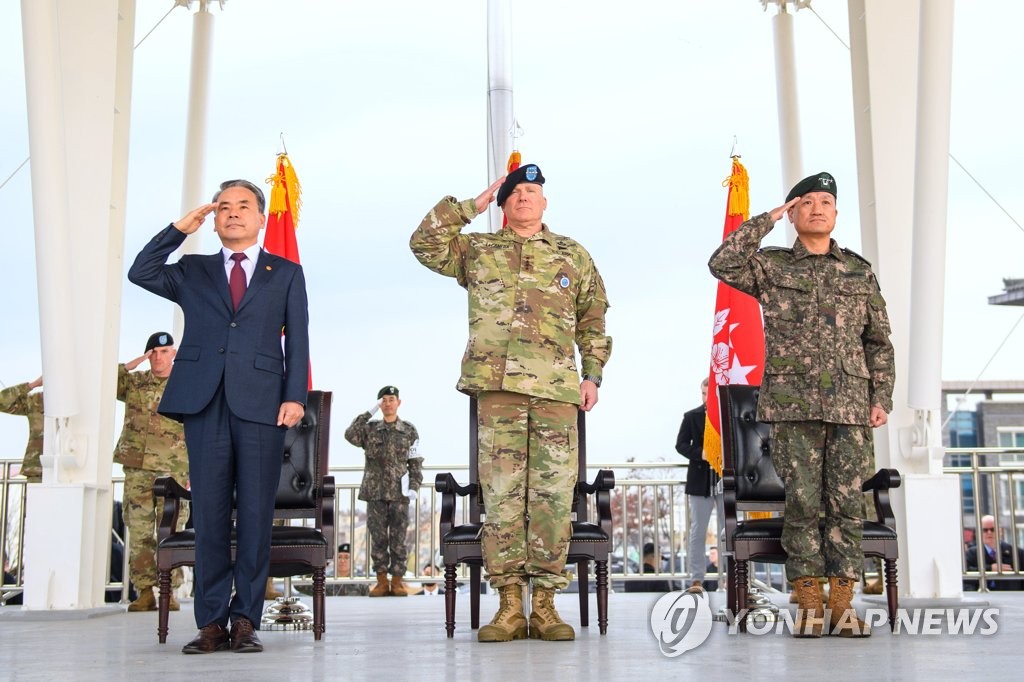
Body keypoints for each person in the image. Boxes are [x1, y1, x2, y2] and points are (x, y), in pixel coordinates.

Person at [410, 164, 612, 643]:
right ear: (503, 205)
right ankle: (507, 605)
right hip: (497, 390)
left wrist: (593, 375)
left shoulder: (572, 255)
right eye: (515, 192)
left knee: (551, 498)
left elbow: (594, 317)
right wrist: (470, 206)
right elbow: (424, 244)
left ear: (546, 202)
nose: (524, 197)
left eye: (533, 191)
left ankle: (543, 604)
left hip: (556, 392)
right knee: (500, 497)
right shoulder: (479, 250)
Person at [708, 171, 895, 638]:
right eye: (806, 202)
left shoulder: (858, 269)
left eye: (826, 202)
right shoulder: (772, 266)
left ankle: (842, 603)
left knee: (847, 504)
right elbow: (722, 262)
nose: (817, 209)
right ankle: (809, 600)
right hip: (793, 405)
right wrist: (767, 219)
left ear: (836, 213)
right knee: (804, 506)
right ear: (794, 212)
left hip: (851, 407)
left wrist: (881, 396)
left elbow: (879, 341)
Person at [128, 178, 310, 654]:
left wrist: (296, 396)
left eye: (243, 206)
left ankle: (246, 618)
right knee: (207, 515)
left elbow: (300, 339)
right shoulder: (192, 268)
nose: (232, 213)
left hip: (263, 405)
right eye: (223, 207)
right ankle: (210, 622)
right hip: (203, 402)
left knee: (254, 514)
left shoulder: (285, 272)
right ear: (214, 217)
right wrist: (179, 228)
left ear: (260, 215)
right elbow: (140, 271)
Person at [115, 331, 190, 612]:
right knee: (140, 530)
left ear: (174, 355)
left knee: (171, 530)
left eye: (164, 352)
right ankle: (144, 591)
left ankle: (169, 591)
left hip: (173, 468)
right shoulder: (134, 383)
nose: (159, 358)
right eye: (153, 353)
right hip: (137, 468)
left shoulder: (184, 384)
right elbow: (102, 383)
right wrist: (130, 365)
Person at [344, 385, 422, 597]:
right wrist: (368, 413)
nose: (388, 403)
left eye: (391, 399)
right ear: (380, 404)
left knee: (398, 539)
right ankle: (381, 581)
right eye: (383, 400)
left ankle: (397, 582)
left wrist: (414, 487)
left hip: (399, 492)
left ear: (398, 402)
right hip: (375, 491)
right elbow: (350, 435)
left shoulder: (409, 430)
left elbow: (415, 462)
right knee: (378, 538)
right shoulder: (369, 429)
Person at [675, 378, 717, 595]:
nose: (705, 397)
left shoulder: (727, 417)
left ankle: (731, 578)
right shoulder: (691, 416)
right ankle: (696, 579)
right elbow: (680, 445)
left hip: (724, 481)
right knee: (698, 533)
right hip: (700, 481)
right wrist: (700, 453)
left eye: (709, 393)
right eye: (703, 393)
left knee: (728, 533)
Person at [0, 375, 44, 482]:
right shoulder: (36, 401)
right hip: (37, 469)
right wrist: (32, 385)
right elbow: (1, 402)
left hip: (74, 467)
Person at [965, 515, 1024, 590]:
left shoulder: (1017, 553)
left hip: (1010, 597)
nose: (989, 532)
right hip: (982, 597)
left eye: (993, 529)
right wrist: (989, 569)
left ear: (1000, 531)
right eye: (985, 530)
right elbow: (966, 574)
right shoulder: (971, 553)